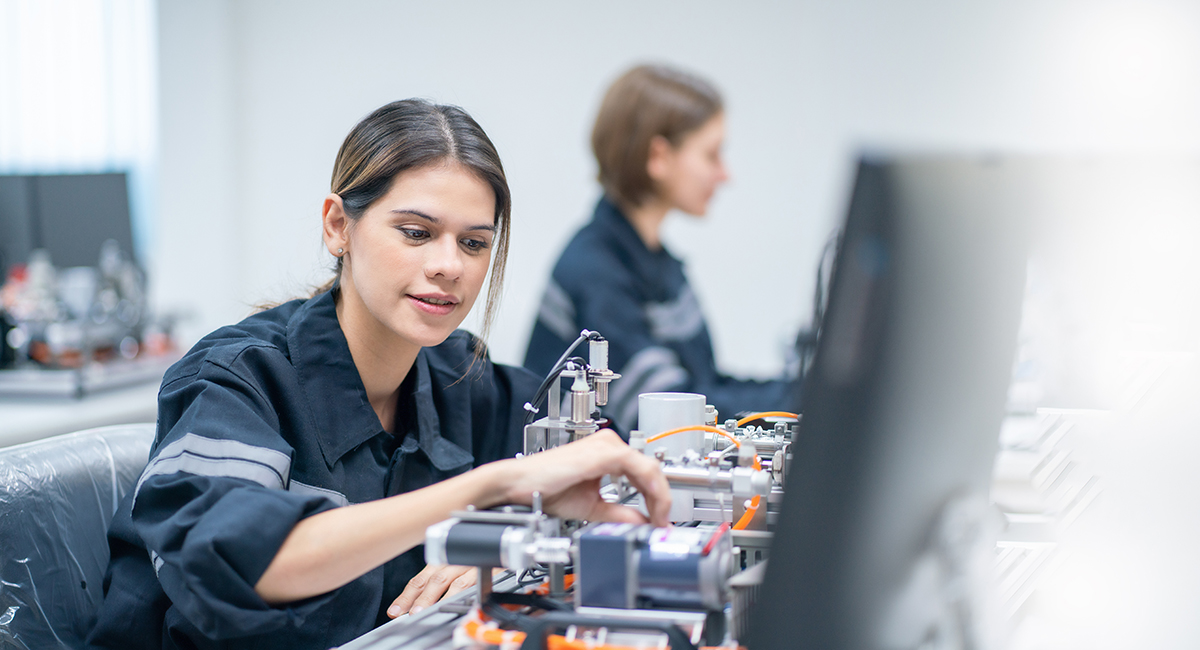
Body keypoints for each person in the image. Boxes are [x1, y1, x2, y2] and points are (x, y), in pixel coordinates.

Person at [86, 99, 671, 650]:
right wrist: (488, 491)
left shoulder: (457, 375)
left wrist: (499, 546)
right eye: (416, 233)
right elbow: (237, 557)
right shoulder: (238, 378)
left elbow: (605, 463)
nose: (448, 266)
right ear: (338, 226)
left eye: (474, 243)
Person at [524, 64, 792, 433]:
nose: (724, 174)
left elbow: (705, 386)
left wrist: (802, 392)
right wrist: (801, 397)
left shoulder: (660, 264)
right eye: (711, 155)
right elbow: (666, 414)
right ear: (658, 157)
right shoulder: (595, 270)